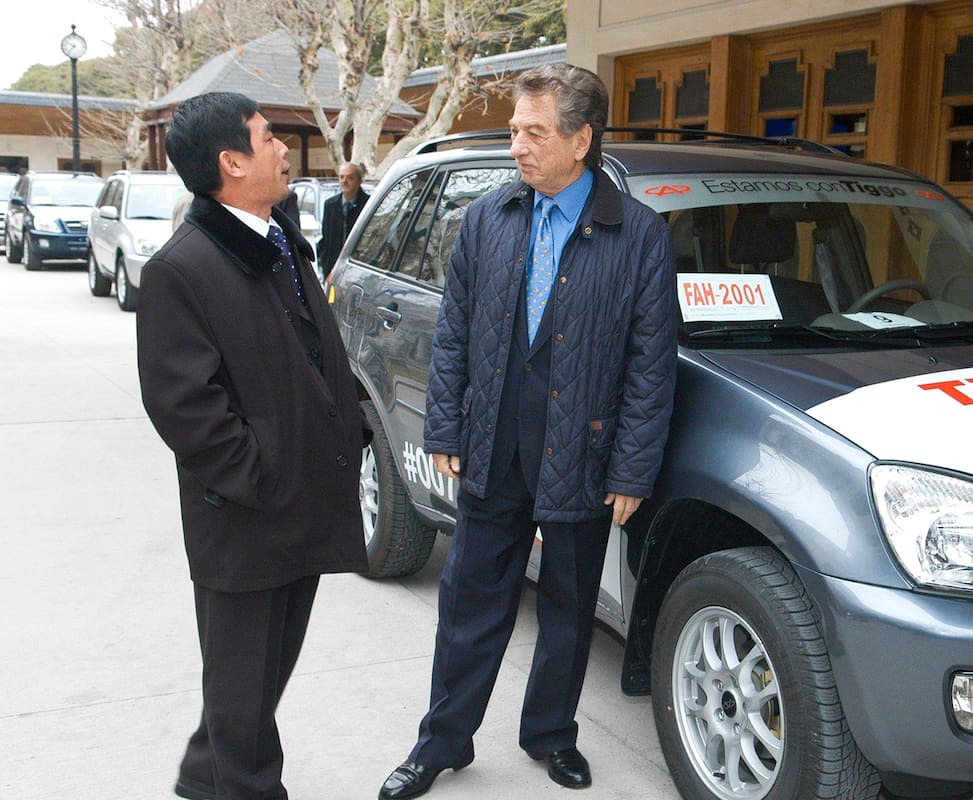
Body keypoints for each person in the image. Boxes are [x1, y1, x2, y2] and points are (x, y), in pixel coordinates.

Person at [377, 63, 677, 800]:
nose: (517, 144)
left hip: (584, 452)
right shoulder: (488, 218)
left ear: (580, 140)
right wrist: (447, 422)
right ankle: (441, 742)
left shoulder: (636, 235)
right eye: (515, 130)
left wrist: (632, 470)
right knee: (469, 606)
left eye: (533, 132)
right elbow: (453, 335)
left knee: (571, 613)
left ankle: (550, 736)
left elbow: (650, 363)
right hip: (493, 447)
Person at [136, 91, 369, 800]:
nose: (281, 151)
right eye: (268, 139)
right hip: (246, 519)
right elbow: (185, 408)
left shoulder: (279, 236)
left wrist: (348, 426)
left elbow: (312, 352)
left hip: (301, 503)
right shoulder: (182, 268)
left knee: (257, 683)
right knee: (244, 700)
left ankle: (201, 776)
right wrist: (261, 476)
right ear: (232, 162)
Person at [317, 161, 369, 272]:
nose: (344, 181)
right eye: (341, 177)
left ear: (359, 181)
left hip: (359, 268)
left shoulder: (368, 205)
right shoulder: (330, 205)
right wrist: (325, 264)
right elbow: (326, 238)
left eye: (350, 178)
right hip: (333, 268)